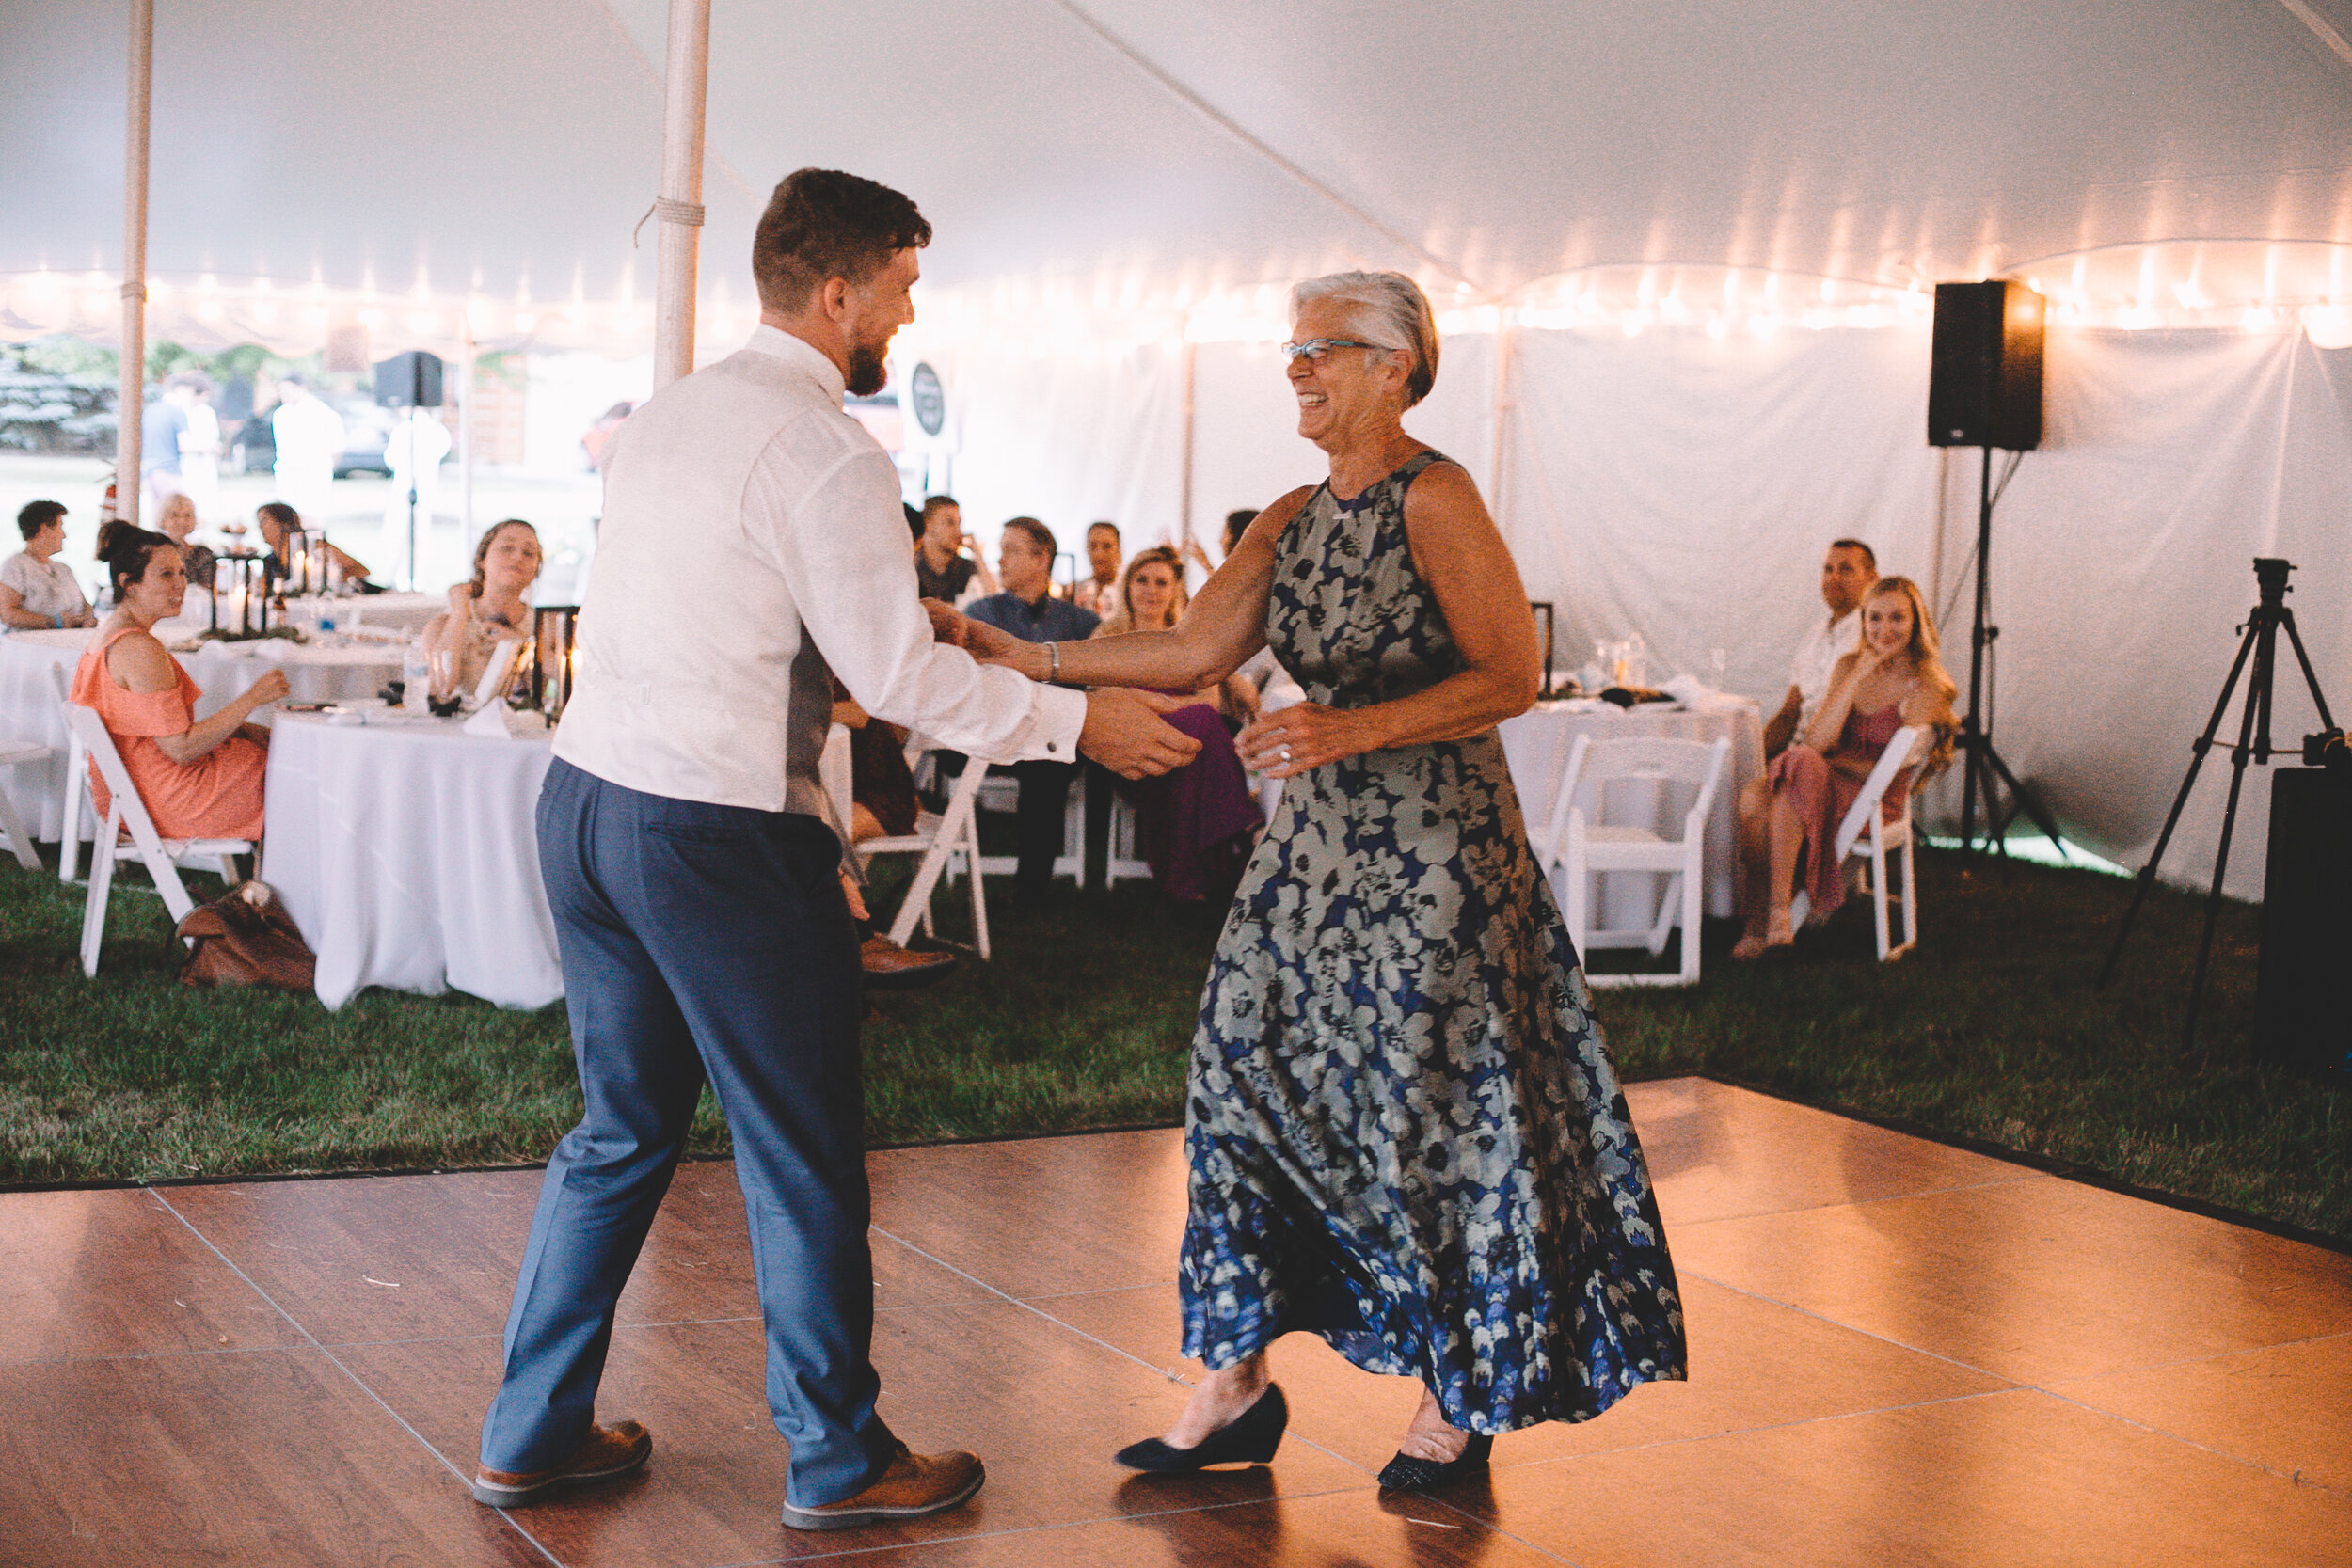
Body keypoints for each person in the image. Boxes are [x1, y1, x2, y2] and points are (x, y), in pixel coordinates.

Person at [470, 166, 1199, 1531]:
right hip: (715, 831)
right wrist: (1076, 721)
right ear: (841, 288)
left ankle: (531, 1426)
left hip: (584, 801)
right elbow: (900, 680)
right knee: (798, 1144)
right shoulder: (826, 450)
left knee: (618, 1130)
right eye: (905, 290)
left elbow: (750, 598)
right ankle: (837, 1455)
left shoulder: (670, 413)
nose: (907, 321)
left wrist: (957, 632)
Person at [988, 270, 1685, 1491]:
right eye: (1292, 347)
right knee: (1237, 1064)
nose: (1296, 368)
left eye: (1321, 348)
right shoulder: (1287, 515)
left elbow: (1513, 673)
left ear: (1394, 364)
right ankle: (1235, 1372)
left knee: (1424, 1107)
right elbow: (1194, 646)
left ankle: (1457, 1398)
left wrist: (1346, 729)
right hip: (1310, 862)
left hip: (1437, 864)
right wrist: (1027, 653)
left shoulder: (1440, 496)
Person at [1733, 575, 1957, 958]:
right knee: (1755, 795)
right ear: (1863, 621)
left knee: (1792, 771)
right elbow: (1817, 741)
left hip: (1873, 800)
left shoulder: (1927, 686)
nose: (1884, 630)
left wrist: (1832, 760)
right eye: (1874, 618)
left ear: (1917, 623)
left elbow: (1883, 773)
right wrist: (1858, 673)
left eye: (1897, 618)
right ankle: (1769, 918)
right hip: (1821, 781)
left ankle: (1769, 916)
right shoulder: (1850, 665)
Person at [69, 528, 286, 842]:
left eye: (182, 573)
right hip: (172, 800)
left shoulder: (108, 636)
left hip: (139, 792)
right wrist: (252, 698)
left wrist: (243, 728)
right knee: (292, 769)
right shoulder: (139, 648)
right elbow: (181, 749)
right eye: (166, 574)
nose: (180, 584)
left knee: (264, 749)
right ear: (128, 583)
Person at [1090, 546, 1263, 899]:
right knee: (1198, 722)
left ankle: (1189, 880)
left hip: (1186, 754)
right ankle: (1244, 828)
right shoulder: (1106, 638)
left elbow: (1210, 701)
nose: (1152, 589)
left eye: (1161, 582)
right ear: (1128, 587)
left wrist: (1160, 708)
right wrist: (1173, 709)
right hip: (1130, 749)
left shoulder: (1189, 642)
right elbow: (1108, 707)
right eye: (1142, 580)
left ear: (1174, 591)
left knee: (1198, 729)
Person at [961, 517, 1100, 900]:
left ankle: (1033, 883)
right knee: (1047, 758)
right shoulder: (981, 615)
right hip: (990, 731)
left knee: (1049, 760)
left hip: (1053, 739)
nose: (999, 560)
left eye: (1010, 551)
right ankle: (1035, 883)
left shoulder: (1080, 622)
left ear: (1042, 559)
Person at [1762, 539, 1878, 758]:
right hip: (1795, 753)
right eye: (1827, 570)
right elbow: (1789, 713)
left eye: (1845, 570)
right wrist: (1756, 760)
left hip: (1835, 758)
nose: (1833, 578)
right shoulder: (1813, 636)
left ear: (1872, 578)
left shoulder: (1875, 636)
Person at [421, 520, 540, 702]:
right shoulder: (442, 625)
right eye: (507, 548)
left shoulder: (544, 628)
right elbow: (443, 687)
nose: (518, 557)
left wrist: (520, 645)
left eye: (528, 553)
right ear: (482, 559)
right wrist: (460, 613)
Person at [382, 404, 453, 588]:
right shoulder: (438, 431)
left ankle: (401, 577)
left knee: (399, 535)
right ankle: (414, 578)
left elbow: (390, 459)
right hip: (425, 491)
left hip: (406, 489)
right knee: (419, 536)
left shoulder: (404, 429)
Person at [3, 500, 96, 629]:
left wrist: (88, 619)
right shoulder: (16, 566)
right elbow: (8, 614)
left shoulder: (63, 569)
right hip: (30, 645)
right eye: (60, 526)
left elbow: (86, 607)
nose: (63, 535)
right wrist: (54, 622)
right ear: (44, 529)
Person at [269, 376, 346, 522]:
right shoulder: (280, 414)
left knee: (312, 520)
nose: (283, 393)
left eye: (287, 389)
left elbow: (336, 448)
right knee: (288, 522)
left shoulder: (323, 413)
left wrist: (322, 469)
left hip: (314, 475)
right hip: (287, 476)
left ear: (301, 388)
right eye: (281, 390)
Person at [255, 502, 372, 591]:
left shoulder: (314, 547)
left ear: (283, 523)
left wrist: (327, 579)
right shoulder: (271, 560)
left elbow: (361, 571)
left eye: (264, 520)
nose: (260, 527)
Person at [912, 494, 997, 603]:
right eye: (950, 522)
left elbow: (993, 602)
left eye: (959, 523)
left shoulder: (965, 567)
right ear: (928, 525)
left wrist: (977, 553)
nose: (958, 531)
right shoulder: (913, 565)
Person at [140, 373, 204, 517]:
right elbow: (185, 445)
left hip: (149, 470)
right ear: (181, 390)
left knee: (158, 517)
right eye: (190, 393)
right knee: (178, 514)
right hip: (168, 470)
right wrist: (208, 448)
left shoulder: (150, 410)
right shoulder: (177, 412)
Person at [179, 380, 224, 520]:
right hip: (192, 461)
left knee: (205, 496)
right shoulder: (186, 412)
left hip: (206, 461)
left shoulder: (206, 411)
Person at [154, 491, 216, 591]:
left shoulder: (202, 554)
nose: (181, 521)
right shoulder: (153, 553)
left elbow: (208, 591)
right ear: (163, 519)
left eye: (187, 516)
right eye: (174, 515)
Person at [1072, 520, 1121, 617]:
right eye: (1093, 546)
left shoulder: (1128, 591)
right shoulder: (1075, 591)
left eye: (1107, 547)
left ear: (1118, 550)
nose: (1099, 554)